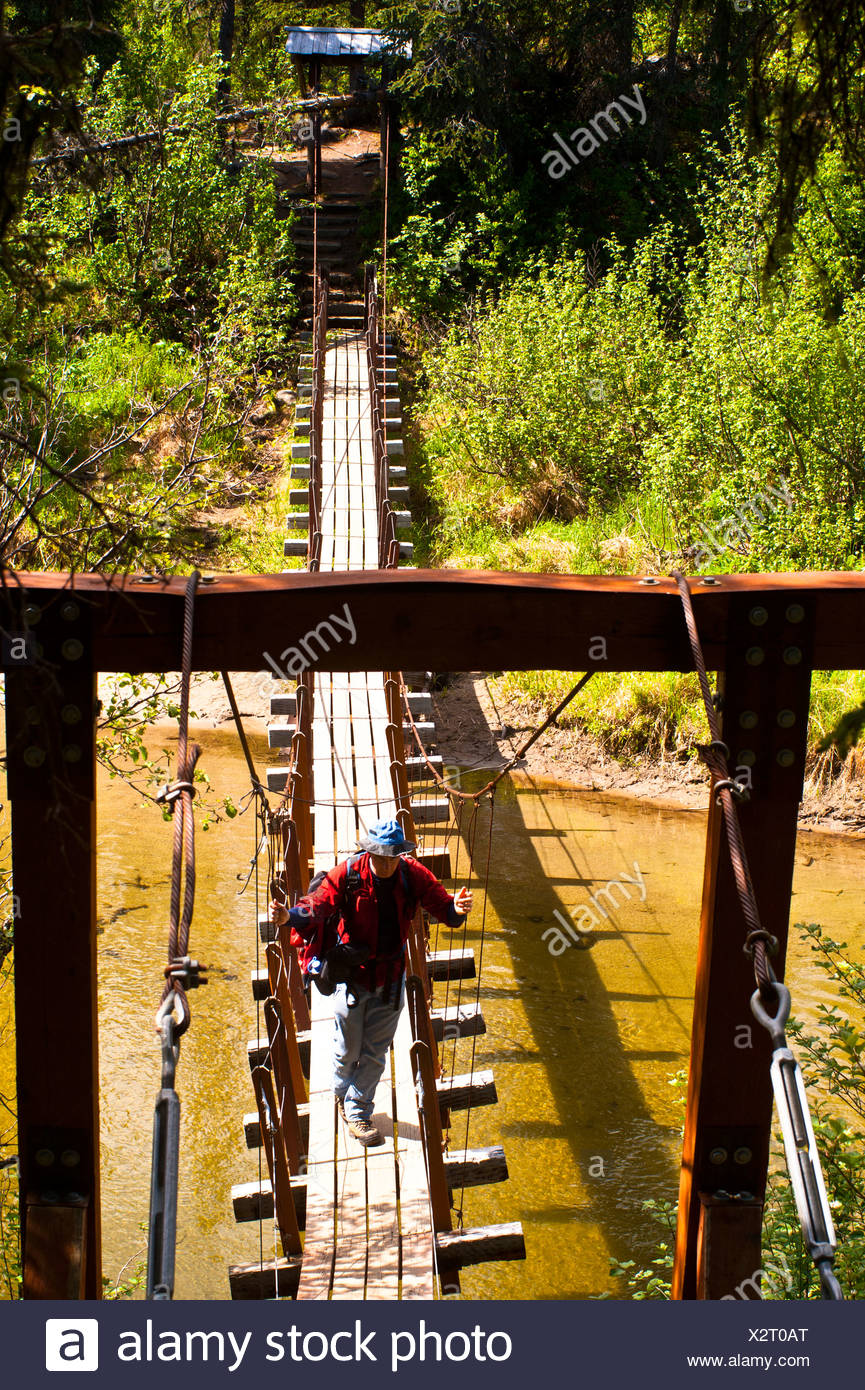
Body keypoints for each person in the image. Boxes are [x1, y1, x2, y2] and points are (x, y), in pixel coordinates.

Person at [268, 818, 473, 1147]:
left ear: (400, 855)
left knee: (376, 1052)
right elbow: (317, 907)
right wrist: (287, 916)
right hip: (353, 977)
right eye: (381, 855)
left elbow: (443, 908)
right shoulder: (348, 874)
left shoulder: (413, 875)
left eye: (393, 856)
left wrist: (457, 908)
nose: (387, 862)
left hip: (391, 979)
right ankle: (341, 1092)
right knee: (348, 1050)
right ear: (370, 852)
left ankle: (358, 1111)